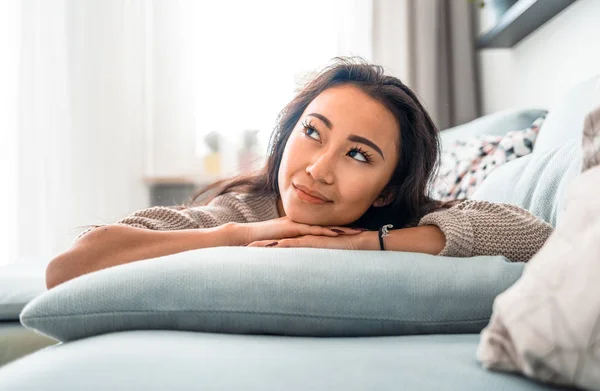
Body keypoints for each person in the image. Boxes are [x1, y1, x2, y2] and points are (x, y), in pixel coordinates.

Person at [45, 57, 553, 289]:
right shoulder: (242, 211)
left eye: (358, 155)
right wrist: (243, 234)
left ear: (387, 190)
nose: (317, 169)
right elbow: (69, 265)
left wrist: (362, 244)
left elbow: (537, 238)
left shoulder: (408, 222)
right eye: (313, 132)